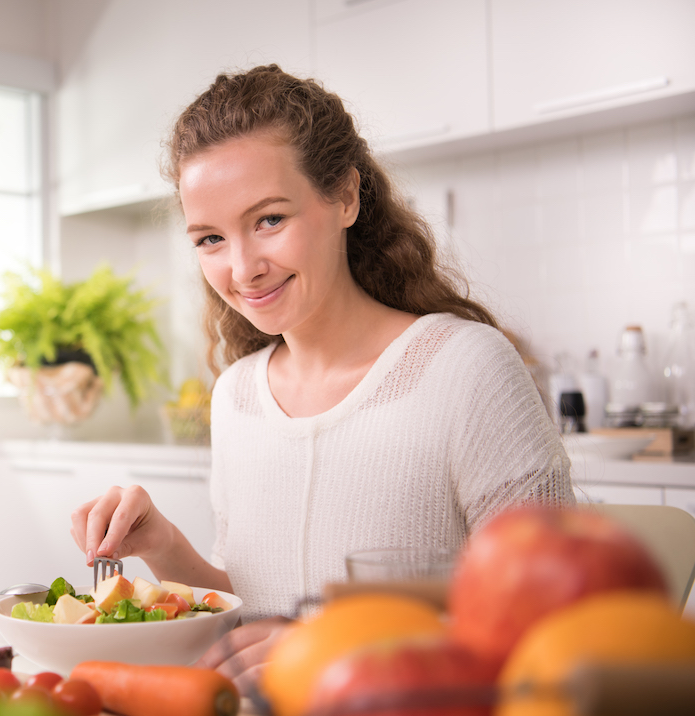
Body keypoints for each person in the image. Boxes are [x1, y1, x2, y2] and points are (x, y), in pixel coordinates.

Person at [69, 65, 574, 692]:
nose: (243, 268)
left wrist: (330, 649)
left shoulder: (465, 368)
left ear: (345, 197)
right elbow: (256, 610)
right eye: (210, 239)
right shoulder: (237, 397)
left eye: (269, 220)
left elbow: (549, 625)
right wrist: (164, 546)